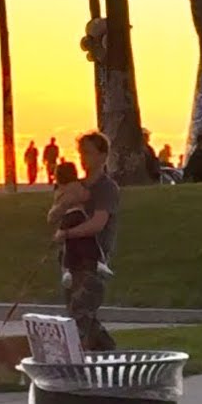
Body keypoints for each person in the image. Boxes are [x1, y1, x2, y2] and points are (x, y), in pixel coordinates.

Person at [48, 132, 120, 351]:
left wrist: (68, 234)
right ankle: (107, 354)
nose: (83, 158)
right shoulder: (74, 186)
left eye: (88, 153)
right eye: (81, 153)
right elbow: (52, 216)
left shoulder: (106, 189)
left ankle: (80, 360)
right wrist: (63, 204)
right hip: (71, 262)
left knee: (80, 314)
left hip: (93, 263)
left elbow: (97, 224)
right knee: (80, 315)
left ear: (103, 156)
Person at [52, 161, 114, 290]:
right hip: (79, 215)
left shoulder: (59, 190)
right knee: (90, 241)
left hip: (66, 219)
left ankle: (66, 270)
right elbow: (86, 196)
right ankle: (98, 262)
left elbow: (56, 209)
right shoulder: (78, 186)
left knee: (69, 246)